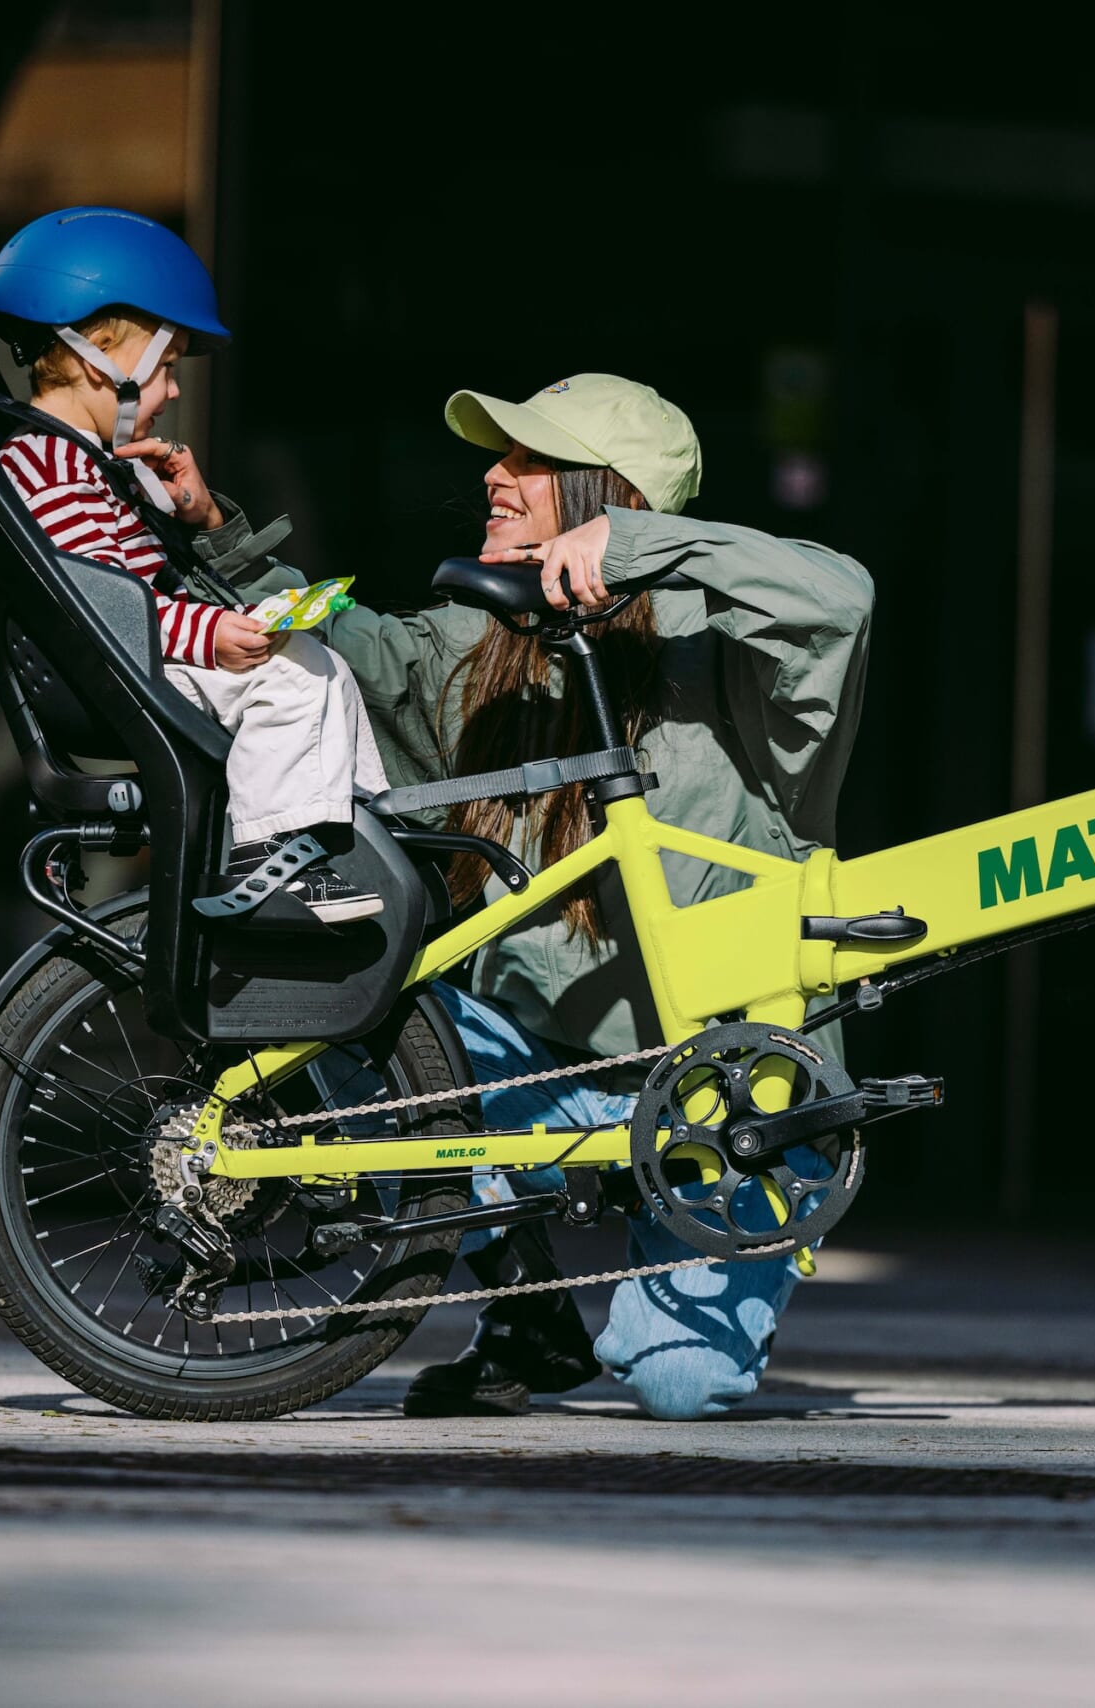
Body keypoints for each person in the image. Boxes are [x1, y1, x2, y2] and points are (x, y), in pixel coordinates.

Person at [207, 374, 874, 1419]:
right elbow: (348, 647)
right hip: (541, 1077)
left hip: (729, 1098)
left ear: (605, 492)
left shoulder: (734, 643)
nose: (494, 475)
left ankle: (687, 1287)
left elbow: (841, 598)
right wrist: (216, 532)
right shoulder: (487, 642)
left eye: (528, 460)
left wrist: (637, 547)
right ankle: (525, 1300)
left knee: (680, 1384)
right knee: (342, 1003)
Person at [0, 207, 388, 921]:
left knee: (319, 666)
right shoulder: (51, 465)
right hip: (121, 668)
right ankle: (273, 867)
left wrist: (187, 526)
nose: (172, 391)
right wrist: (211, 634)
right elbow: (101, 602)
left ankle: (360, 836)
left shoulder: (83, 463)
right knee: (294, 679)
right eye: (165, 368)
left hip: (138, 656)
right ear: (95, 360)